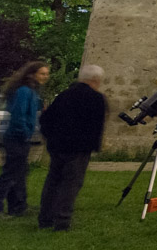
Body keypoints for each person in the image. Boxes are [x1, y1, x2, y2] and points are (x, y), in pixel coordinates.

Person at [37, 65, 108, 231]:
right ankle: (62, 220)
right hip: (79, 148)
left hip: (57, 146)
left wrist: (50, 138)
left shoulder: (64, 95)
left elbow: (46, 119)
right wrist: (92, 145)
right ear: (95, 80)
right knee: (71, 183)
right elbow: (96, 126)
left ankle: (45, 219)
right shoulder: (96, 98)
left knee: (53, 181)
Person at [0, 61, 49, 218]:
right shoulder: (24, 91)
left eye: (46, 73)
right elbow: (19, 115)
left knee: (20, 173)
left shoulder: (31, 91)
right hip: (16, 137)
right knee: (10, 173)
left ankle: (18, 206)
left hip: (20, 136)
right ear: (32, 74)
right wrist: (25, 132)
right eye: (42, 73)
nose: (45, 77)